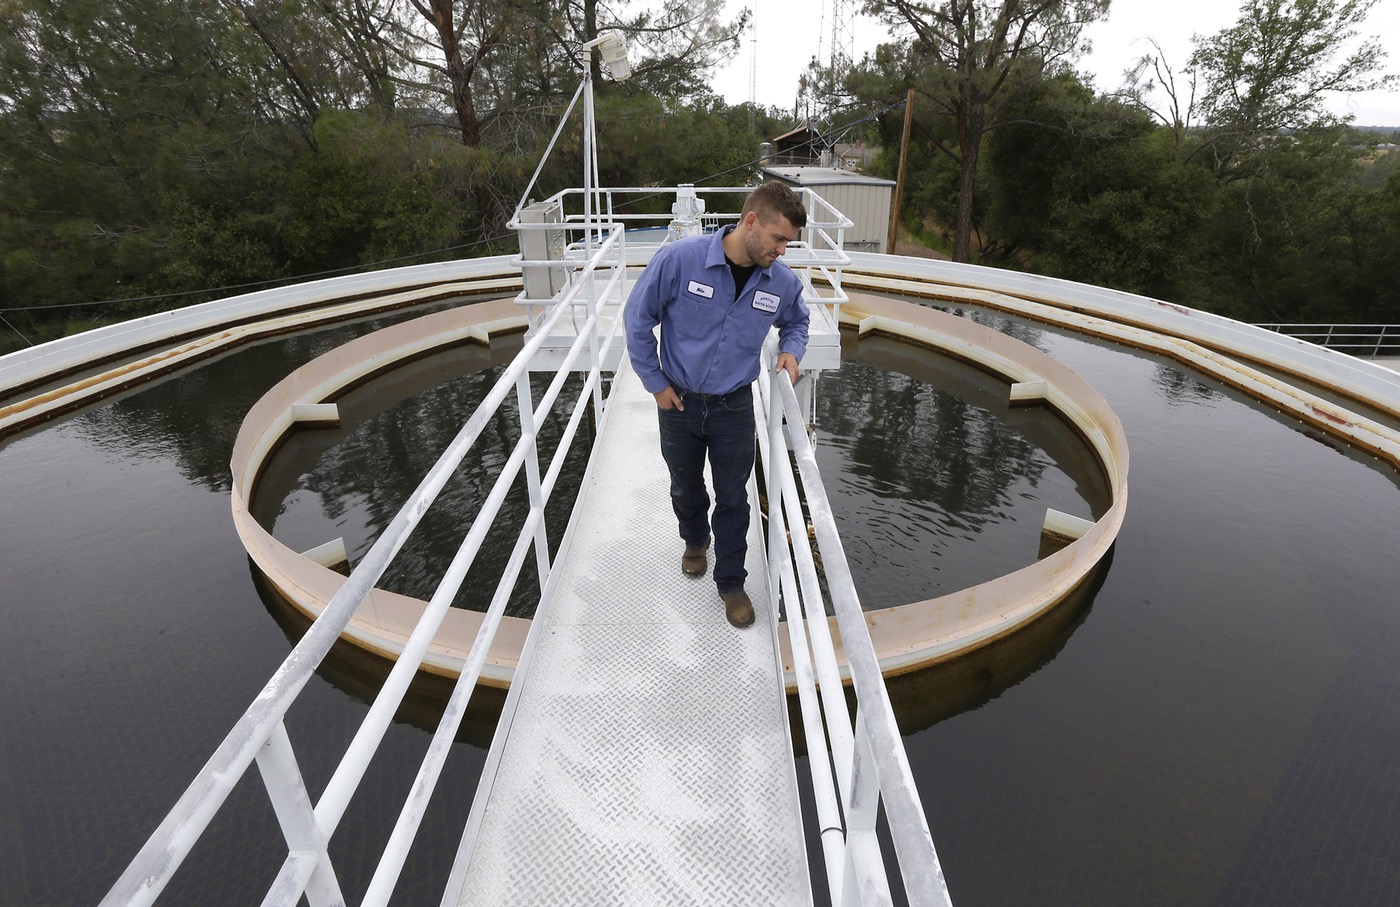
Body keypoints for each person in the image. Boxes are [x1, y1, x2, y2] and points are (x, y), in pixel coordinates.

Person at [624, 181, 809, 628]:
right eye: (778, 238)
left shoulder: (780, 282)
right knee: (684, 486)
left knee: (733, 498)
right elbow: (637, 317)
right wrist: (654, 382)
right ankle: (694, 540)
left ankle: (730, 582)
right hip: (679, 404)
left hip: (733, 408)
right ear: (751, 222)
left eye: (789, 242)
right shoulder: (680, 260)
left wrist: (792, 349)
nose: (783, 251)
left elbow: (797, 320)